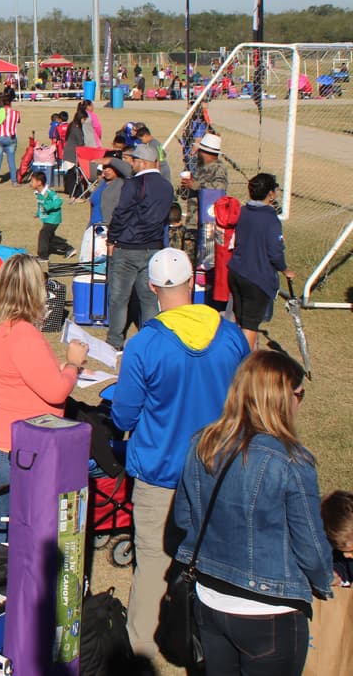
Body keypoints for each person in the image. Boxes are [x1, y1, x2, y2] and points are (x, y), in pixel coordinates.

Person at [110, 247, 251, 660]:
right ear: (194, 282)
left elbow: (124, 413)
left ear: (153, 289)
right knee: (214, 563)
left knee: (152, 564)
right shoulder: (230, 336)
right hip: (218, 472)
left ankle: (141, 653)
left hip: (159, 473)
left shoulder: (145, 344)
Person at [172, 351, 332, 676]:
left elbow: (183, 520)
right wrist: (326, 580)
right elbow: (311, 549)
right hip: (270, 614)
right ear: (284, 398)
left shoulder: (203, 443)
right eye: (299, 394)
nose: (301, 403)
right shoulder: (292, 462)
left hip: (210, 601)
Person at [0, 255, 88, 532]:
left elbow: (13, 373)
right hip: (12, 442)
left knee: (4, 510)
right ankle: (6, 566)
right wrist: (73, 363)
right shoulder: (23, 333)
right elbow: (57, 392)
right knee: (22, 517)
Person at [105, 141, 175, 348]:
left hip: (127, 247)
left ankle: (115, 340)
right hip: (153, 246)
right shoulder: (166, 186)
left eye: (134, 160)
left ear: (143, 163)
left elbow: (121, 213)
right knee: (149, 298)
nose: (131, 163)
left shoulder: (133, 184)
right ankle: (149, 340)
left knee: (119, 297)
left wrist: (112, 238)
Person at [228, 173, 293, 350]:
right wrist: (284, 269)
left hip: (236, 272)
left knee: (239, 320)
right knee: (250, 325)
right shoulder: (270, 219)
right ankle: (244, 366)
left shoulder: (243, 211)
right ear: (270, 194)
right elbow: (275, 252)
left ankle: (235, 354)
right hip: (255, 278)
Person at [31, 172, 71, 261]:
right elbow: (41, 205)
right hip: (47, 219)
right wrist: (38, 213)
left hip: (53, 219)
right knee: (50, 238)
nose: (31, 183)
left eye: (32, 181)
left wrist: (47, 207)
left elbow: (59, 201)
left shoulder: (49, 192)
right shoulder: (38, 193)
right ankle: (68, 249)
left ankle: (43, 256)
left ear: (39, 182)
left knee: (43, 234)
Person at [0, 96, 20, 185]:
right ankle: (14, 181)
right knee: (11, 160)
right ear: (10, 103)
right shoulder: (16, 113)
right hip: (11, 137)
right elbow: (18, 121)